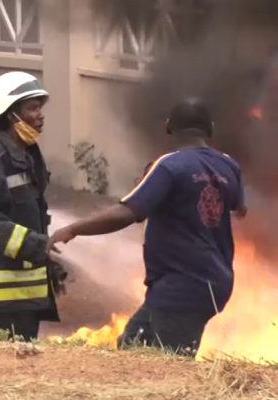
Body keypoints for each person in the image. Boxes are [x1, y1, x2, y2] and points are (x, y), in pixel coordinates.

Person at [48, 97, 247, 357]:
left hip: (182, 285)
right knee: (132, 346)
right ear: (209, 129)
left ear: (169, 127)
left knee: (170, 366)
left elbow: (126, 212)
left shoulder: (168, 166)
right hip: (213, 283)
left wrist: (74, 228)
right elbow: (239, 209)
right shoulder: (229, 165)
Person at [0, 71, 65, 342]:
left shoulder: (28, 154)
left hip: (23, 291)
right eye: (32, 108)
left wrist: (47, 264)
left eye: (40, 107)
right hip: (0, 292)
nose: (40, 115)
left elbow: (28, 214)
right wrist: (35, 245)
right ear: (10, 114)